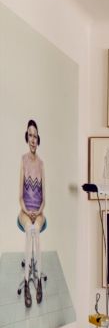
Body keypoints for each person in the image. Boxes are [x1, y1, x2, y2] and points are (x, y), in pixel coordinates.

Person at [18, 120, 46, 307]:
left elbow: (44, 199)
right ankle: (27, 281)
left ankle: (39, 284)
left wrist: (39, 212)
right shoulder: (23, 160)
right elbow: (19, 196)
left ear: (38, 139)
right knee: (29, 230)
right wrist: (27, 211)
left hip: (39, 211)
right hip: (25, 210)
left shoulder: (42, 164)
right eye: (30, 135)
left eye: (35, 135)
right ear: (27, 138)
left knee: (36, 232)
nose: (33, 139)